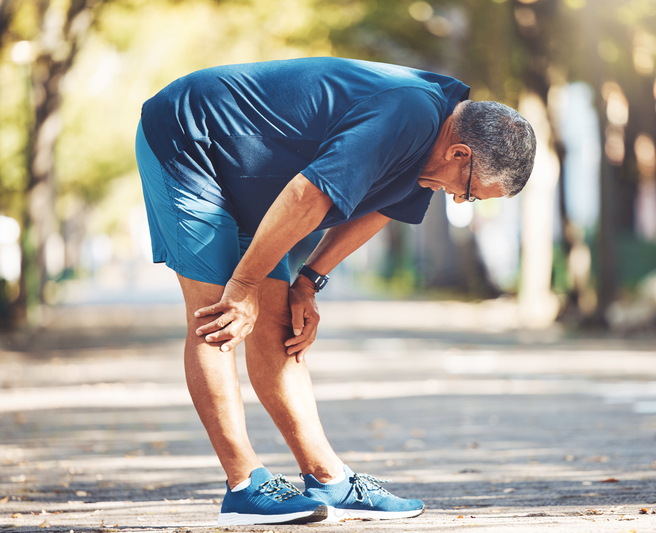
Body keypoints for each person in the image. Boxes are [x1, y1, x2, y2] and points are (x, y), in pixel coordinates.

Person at [135, 57, 536, 526]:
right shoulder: (409, 113)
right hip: (190, 135)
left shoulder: (434, 146)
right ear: (460, 154)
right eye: (469, 192)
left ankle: (329, 480)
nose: (459, 199)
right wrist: (243, 286)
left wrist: (308, 282)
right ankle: (243, 485)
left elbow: (381, 209)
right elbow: (309, 195)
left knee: (280, 320)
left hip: (250, 173)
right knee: (218, 315)